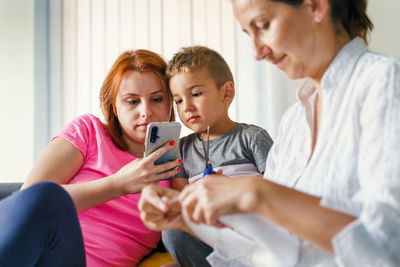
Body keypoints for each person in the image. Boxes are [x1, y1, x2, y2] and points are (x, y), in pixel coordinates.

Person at [139, 0, 400, 266]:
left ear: (315, 6)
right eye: (247, 34)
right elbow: (268, 251)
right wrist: (182, 215)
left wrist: (258, 192)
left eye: (263, 25)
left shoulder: (385, 84)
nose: (257, 52)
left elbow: (387, 248)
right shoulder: (294, 122)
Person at [4, 49, 181, 267]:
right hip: (39, 255)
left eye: (156, 99)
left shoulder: (176, 166)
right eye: (132, 101)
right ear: (114, 106)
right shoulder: (88, 131)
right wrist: (119, 184)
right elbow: (30, 201)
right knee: (45, 196)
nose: (146, 111)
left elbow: (197, 240)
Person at [162, 46, 273, 266]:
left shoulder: (251, 137)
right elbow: (182, 202)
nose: (187, 107)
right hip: (210, 233)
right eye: (178, 100)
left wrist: (232, 188)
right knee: (173, 234)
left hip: (251, 233)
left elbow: (279, 188)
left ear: (226, 93)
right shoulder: (181, 149)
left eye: (195, 94)